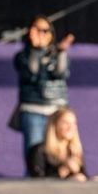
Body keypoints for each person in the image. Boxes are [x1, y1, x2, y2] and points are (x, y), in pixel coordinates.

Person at [13, 16, 74, 173]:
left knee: (58, 153)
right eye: (37, 30)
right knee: (35, 155)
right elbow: (30, 74)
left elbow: (60, 73)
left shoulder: (57, 53)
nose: (41, 34)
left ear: (51, 34)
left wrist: (61, 52)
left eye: (45, 31)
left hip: (56, 110)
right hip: (33, 111)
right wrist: (35, 50)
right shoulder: (23, 56)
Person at [27, 107, 87, 181]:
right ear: (54, 125)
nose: (70, 127)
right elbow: (38, 180)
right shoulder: (39, 151)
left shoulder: (74, 151)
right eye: (65, 123)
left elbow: (83, 176)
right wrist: (64, 170)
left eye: (73, 123)